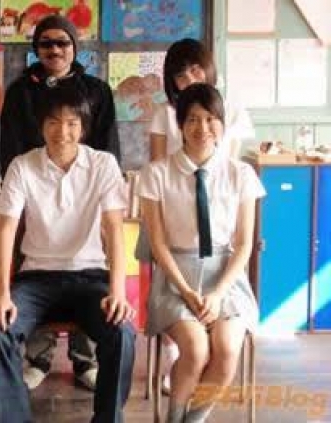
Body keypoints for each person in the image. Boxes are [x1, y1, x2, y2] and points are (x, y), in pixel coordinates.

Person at [0, 87, 136, 423]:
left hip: (90, 277)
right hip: (36, 279)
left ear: (83, 127)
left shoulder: (103, 164)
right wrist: (2, 294)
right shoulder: (22, 166)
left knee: (122, 331)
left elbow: (114, 228)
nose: (62, 132)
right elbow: (6, 230)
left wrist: (118, 292)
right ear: (41, 125)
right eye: (53, 122)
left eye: (71, 123)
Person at [0, 14, 121, 391]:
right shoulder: (21, 91)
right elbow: (9, 143)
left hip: (86, 192)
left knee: (87, 268)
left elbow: (109, 142)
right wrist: (20, 185)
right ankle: (38, 357)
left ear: (74, 47)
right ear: (36, 49)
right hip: (33, 191)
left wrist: (96, 183)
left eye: (62, 42)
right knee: (35, 269)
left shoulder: (96, 90)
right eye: (46, 43)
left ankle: (85, 361)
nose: (54, 49)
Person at [136, 37, 256, 392]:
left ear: (208, 69)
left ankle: (199, 372)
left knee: (222, 343)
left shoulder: (231, 109)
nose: (189, 78)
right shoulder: (165, 113)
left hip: (216, 212)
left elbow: (228, 162)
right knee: (186, 329)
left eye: (195, 69)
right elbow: (158, 163)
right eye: (180, 73)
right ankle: (177, 354)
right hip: (172, 206)